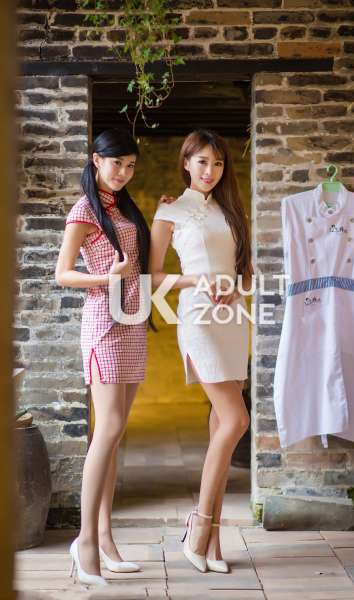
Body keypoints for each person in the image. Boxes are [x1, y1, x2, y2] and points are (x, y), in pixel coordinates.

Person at [150, 129, 253, 574]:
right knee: (236, 420)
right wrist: (198, 281)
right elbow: (153, 277)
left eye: (218, 163)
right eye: (203, 162)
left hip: (233, 319)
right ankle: (199, 526)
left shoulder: (231, 211)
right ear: (186, 163)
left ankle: (212, 544)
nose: (210, 171)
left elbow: (246, 272)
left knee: (220, 429)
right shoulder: (170, 211)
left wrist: (237, 289)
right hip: (198, 318)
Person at [55, 128, 150, 587]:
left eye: (130, 166)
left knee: (114, 435)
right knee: (108, 428)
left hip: (131, 323)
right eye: (117, 164)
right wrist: (105, 278)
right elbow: (62, 273)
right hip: (104, 326)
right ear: (96, 160)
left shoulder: (123, 208)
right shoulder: (85, 210)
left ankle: (107, 539)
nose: (123, 173)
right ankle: (86, 540)